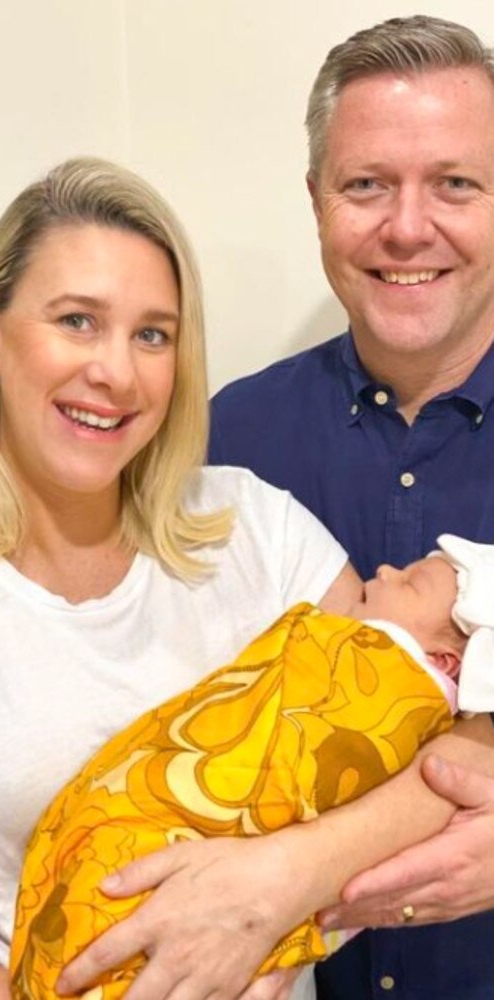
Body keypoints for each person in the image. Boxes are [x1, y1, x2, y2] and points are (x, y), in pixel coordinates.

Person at [0, 155, 362, 1000]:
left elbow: (415, 735)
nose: (116, 372)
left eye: (152, 334)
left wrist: (284, 888)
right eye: (78, 320)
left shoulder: (257, 532)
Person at [209, 14, 494, 1000]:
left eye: (453, 183)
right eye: (365, 183)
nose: (406, 226)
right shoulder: (218, 445)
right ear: (315, 201)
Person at [13, 537, 488, 999]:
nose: (385, 570)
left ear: (445, 662)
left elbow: (306, 767)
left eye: (410, 584)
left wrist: (285, 877)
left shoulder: (386, 684)